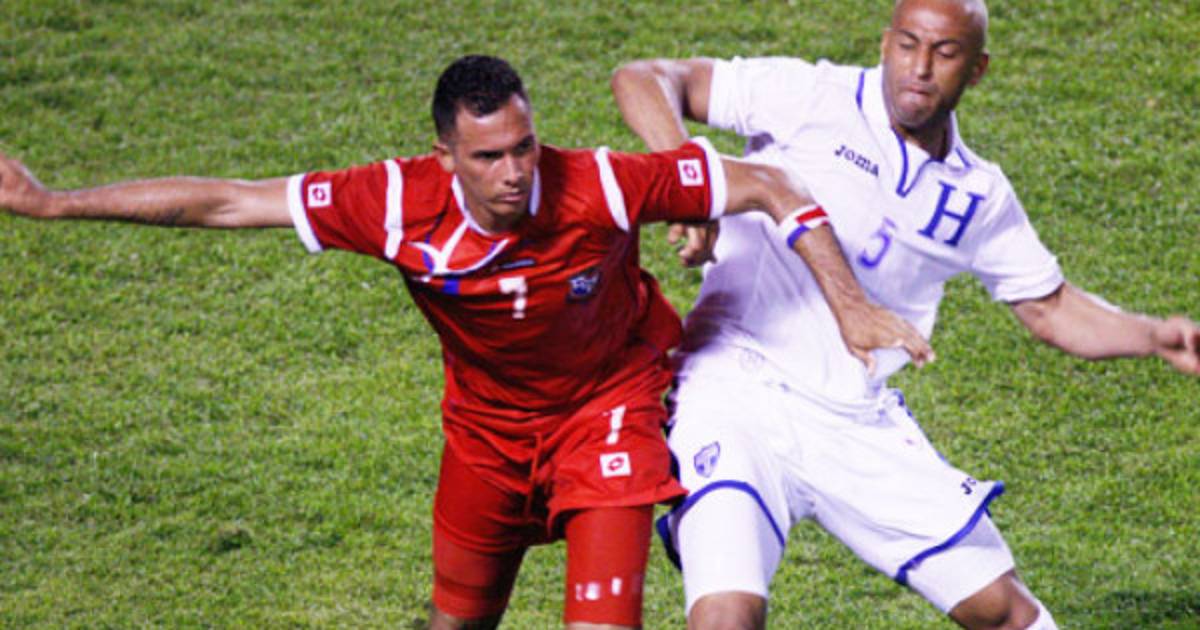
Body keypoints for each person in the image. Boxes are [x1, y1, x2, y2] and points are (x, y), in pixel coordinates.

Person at [0, 55, 930, 629]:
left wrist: (849, 308)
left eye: (524, 147)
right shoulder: (392, 202)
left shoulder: (599, 184)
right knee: (456, 621)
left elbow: (770, 185)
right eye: (488, 157)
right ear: (445, 156)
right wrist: (51, 204)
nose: (515, 173)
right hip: (486, 435)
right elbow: (228, 202)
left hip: (608, 415)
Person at [611, 0, 1200, 628]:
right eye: (907, 45)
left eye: (944, 53)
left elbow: (1050, 308)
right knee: (727, 613)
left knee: (1004, 611)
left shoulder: (978, 195)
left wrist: (1155, 336)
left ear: (976, 70)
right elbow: (645, 77)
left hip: (853, 416)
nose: (919, 68)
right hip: (734, 389)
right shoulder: (812, 96)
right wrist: (688, 183)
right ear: (885, 44)